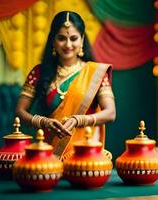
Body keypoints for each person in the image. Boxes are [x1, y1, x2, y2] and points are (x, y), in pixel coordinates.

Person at [15, 11, 116, 159]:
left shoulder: (95, 73)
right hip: (48, 159)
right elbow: (20, 112)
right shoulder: (39, 72)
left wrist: (78, 120)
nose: (68, 45)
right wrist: (43, 122)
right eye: (61, 38)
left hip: (84, 158)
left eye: (73, 38)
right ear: (53, 41)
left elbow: (110, 113)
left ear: (82, 40)